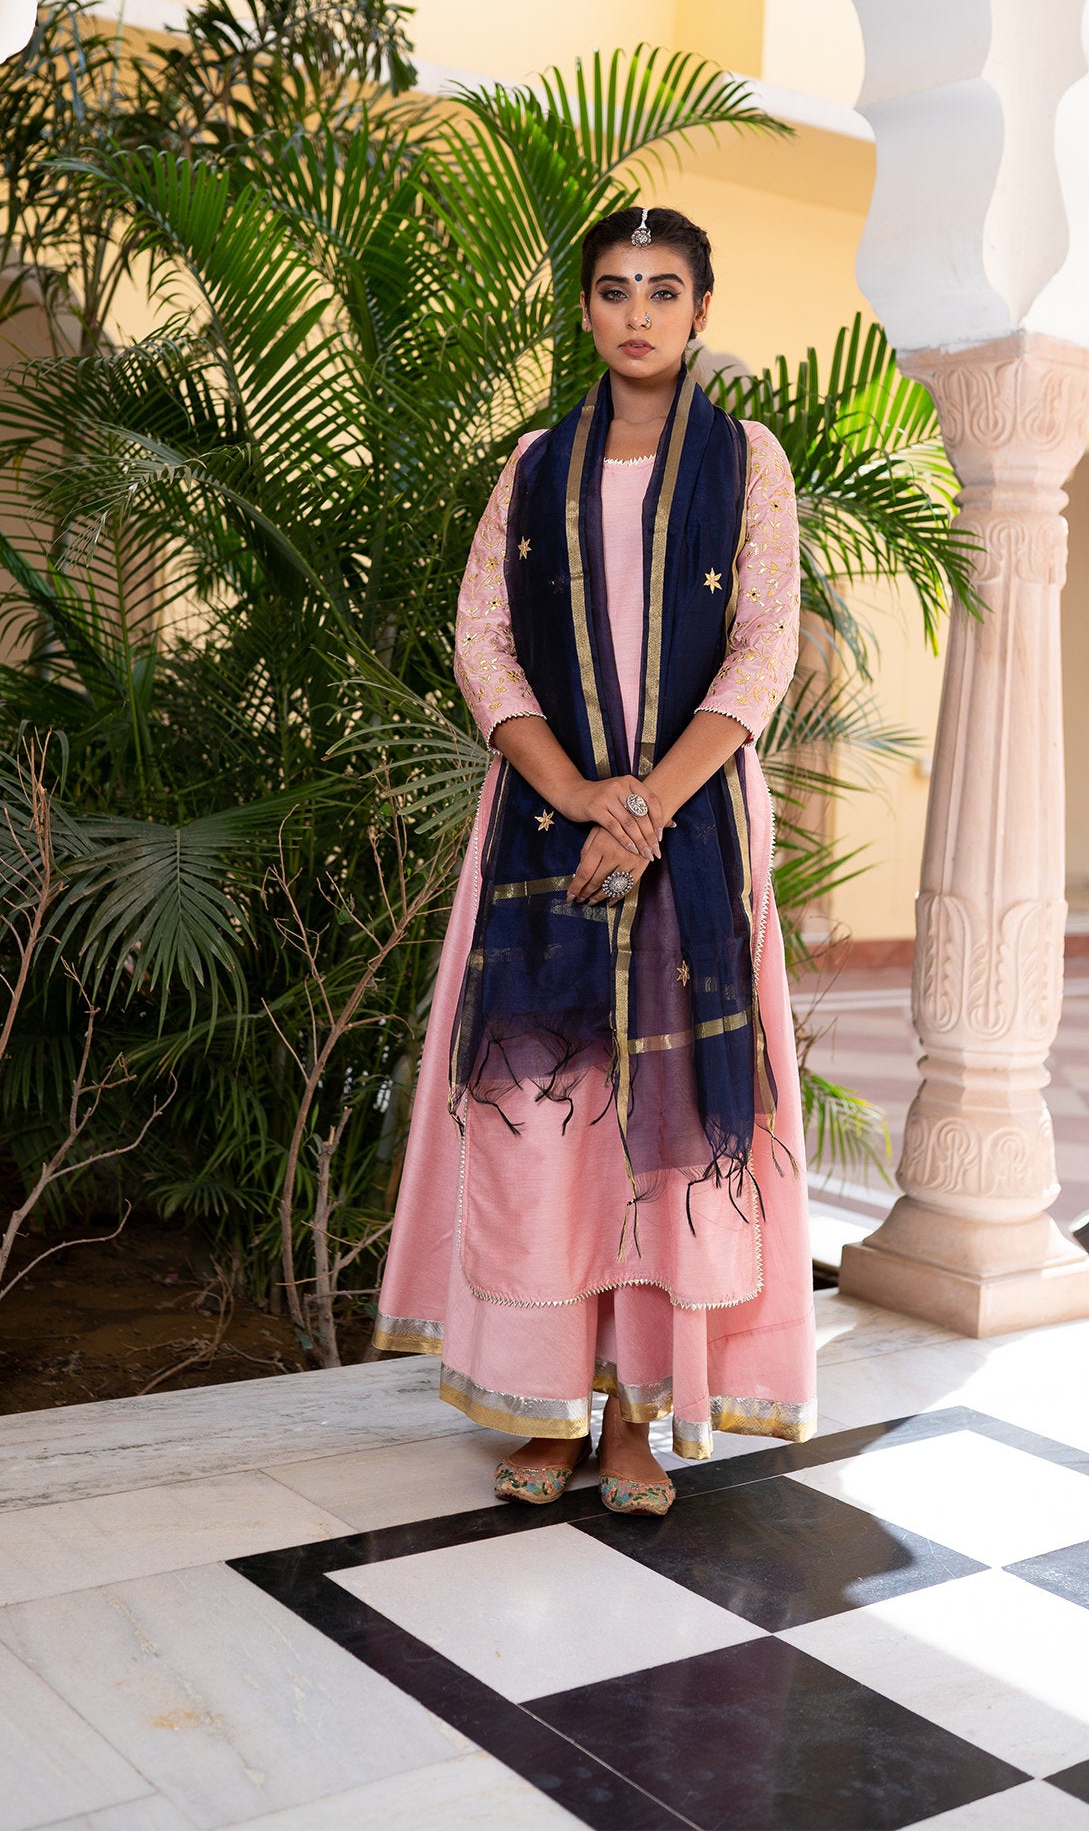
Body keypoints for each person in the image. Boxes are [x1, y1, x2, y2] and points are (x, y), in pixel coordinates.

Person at [374, 204, 815, 1516]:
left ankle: (635, 1417)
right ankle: (547, 1404)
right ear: (586, 310)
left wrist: (647, 808)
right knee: (548, 1125)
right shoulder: (534, 466)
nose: (638, 312)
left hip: (696, 833)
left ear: (700, 311)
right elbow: (483, 640)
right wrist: (575, 795)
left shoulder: (748, 462)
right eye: (615, 288)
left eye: (664, 289)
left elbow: (765, 647)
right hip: (539, 834)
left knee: (664, 1132)